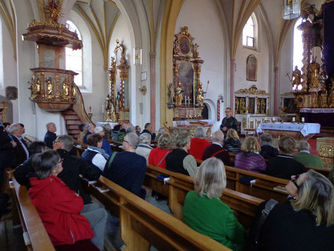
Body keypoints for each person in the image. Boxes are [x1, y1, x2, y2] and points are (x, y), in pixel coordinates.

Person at [28, 150, 96, 248]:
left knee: (97, 210)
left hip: (53, 220)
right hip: (62, 228)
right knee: (101, 213)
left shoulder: (41, 182)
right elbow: (78, 205)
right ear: (54, 169)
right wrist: (75, 195)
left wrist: (72, 196)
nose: (62, 162)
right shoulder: (52, 186)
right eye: (60, 161)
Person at [259, 170, 334, 251]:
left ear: (301, 193)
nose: (292, 176)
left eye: (296, 177)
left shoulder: (277, 210)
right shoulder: (328, 226)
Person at [183, 157, 245, 250]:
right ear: (221, 180)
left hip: (193, 243)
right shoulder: (225, 212)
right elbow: (242, 238)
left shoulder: (189, 195)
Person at [103, 132, 146, 198]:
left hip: (114, 192)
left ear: (128, 144)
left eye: (123, 140)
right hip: (132, 195)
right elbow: (139, 181)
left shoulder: (114, 156)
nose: (122, 142)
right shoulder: (142, 160)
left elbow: (105, 174)